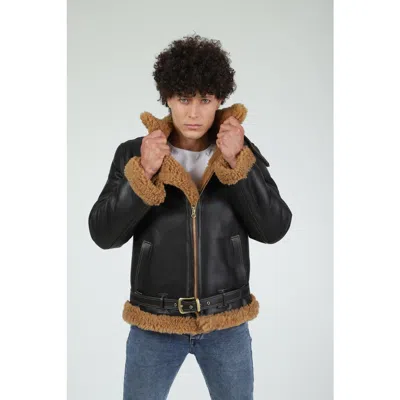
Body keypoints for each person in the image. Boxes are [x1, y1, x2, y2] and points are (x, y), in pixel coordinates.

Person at [88, 33, 292, 400]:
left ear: (219, 100)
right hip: (154, 324)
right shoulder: (134, 154)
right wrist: (143, 174)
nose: (194, 113)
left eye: (205, 100)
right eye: (184, 99)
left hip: (226, 323)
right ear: (167, 98)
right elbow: (103, 234)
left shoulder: (239, 151)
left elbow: (274, 228)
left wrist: (237, 163)